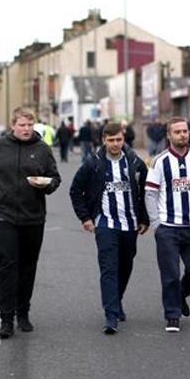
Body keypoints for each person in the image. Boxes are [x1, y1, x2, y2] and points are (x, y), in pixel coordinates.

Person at [0, 107, 61, 339]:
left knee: (27, 267)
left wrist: (47, 185)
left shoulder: (42, 149)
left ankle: (23, 313)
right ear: (13, 125)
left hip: (33, 217)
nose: (26, 129)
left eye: (30, 125)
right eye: (22, 125)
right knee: (6, 265)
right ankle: (6, 319)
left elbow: (55, 178)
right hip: (2, 215)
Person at [69, 122, 149, 334]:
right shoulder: (93, 163)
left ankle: (117, 300)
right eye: (111, 140)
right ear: (104, 140)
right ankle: (111, 314)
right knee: (109, 268)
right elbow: (75, 190)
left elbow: (145, 192)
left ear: (124, 139)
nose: (115, 144)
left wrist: (144, 219)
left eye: (119, 140)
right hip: (105, 224)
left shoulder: (134, 162)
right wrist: (85, 217)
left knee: (125, 266)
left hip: (130, 224)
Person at [145, 116, 190, 333]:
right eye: (177, 132)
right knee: (171, 274)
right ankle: (172, 315)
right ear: (169, 135)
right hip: (168, 229)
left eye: (185, 131)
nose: (182, 135)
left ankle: (180, 295)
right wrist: (156, 224)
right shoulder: (160, 161)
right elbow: (150, 193)